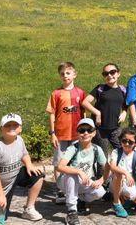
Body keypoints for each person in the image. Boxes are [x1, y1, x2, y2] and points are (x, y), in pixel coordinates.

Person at [0, 113, 45, 223]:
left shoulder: (20, 140)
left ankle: (29, 209)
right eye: (7, 125)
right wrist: (0, 195)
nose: (11, 128)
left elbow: (24, 154)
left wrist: (29, 164)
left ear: (20, 129)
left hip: (14, 177)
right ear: (1, 129)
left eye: (15, 125)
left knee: (38, 175)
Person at [46, 62, 86, 204]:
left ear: (74, 74)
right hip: (61, 135)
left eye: (68, 73)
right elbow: (51, 114)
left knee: (75, 162)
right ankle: (60, 190)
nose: (65, 76)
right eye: (62, 74)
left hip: (76, 135)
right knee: (58, 163)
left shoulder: (80, 93)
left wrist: (85, 132)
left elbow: (84, 112)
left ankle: (76, 189)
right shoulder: (56, 93)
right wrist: (52, 133)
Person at [55, 118, 109, 225]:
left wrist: (102, 180)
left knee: (100, 192)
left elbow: (107, 167)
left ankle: (79, 199)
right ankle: (71, 212)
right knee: (73, 175)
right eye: (82, 130)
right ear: (77, 133)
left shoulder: (96, 149)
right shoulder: (73, 148)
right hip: (66, 181)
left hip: (85, 182)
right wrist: (79, 172)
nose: (85, 133)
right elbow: (60, 167)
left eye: (89, 130)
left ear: (94, 133)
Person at [81, 63, 127, 158]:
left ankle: (119, 172)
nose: (109, 75)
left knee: (123, 151)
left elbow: (126, 105)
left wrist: (124, 112)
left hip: (115, 128)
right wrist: (97, 113)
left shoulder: (122, 90)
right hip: (100, 129)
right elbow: (85, 102)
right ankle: (101, 173)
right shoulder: (100, 88)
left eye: (112, 72)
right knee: (102, 157)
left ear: (118, 73)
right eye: (106, 74)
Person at [109, 127, 136, 218]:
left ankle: (125, 200)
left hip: (129, 183)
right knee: (118, 174)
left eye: (130, 142)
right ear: (120, 140)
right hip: (115, 181)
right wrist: (125, 173)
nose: (126, 144)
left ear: (135, 143)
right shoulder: (116, 152)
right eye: (124, 141)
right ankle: (116, 203)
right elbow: (113, 166)